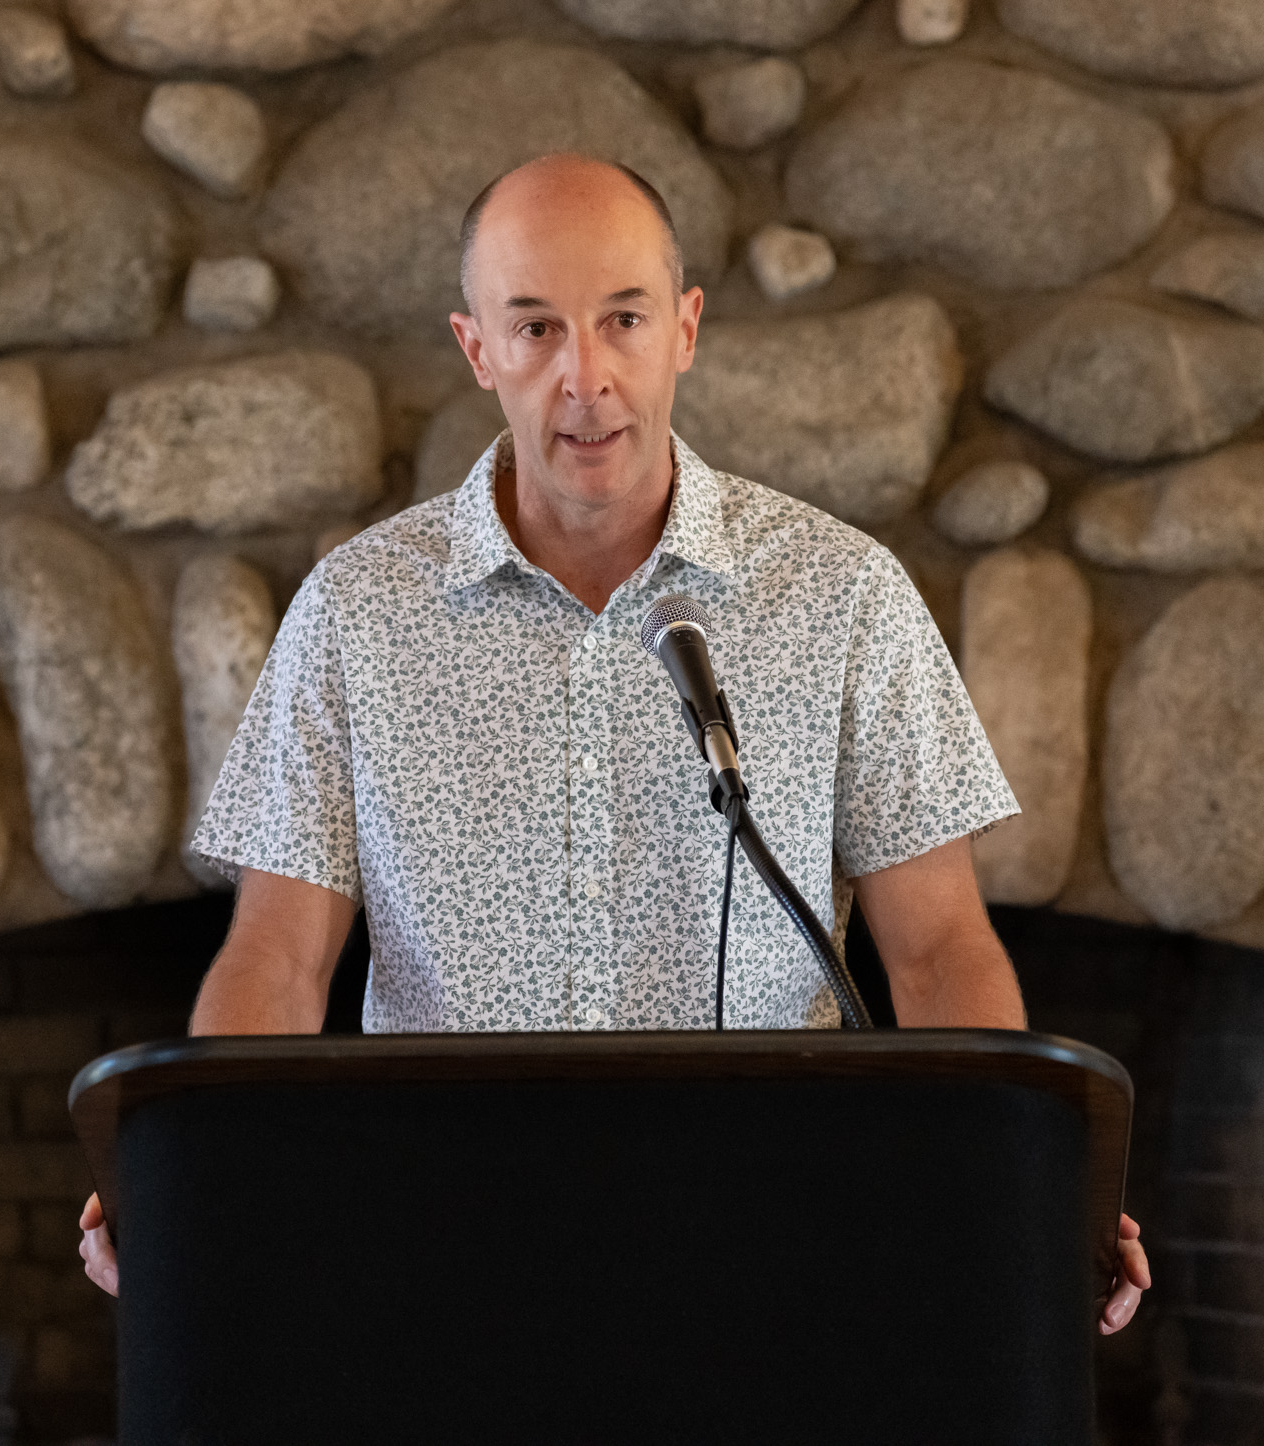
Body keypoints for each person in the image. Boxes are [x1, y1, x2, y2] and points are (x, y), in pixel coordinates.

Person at [79, 153, 1149, 1333]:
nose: (582, 376)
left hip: (771, 1245)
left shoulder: (841, 593)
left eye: (621, 320)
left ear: (683, 329)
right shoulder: (356, 611)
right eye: (533, 328)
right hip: (434, 1250)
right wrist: (188, 1188)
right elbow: (275, 961)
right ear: (475, 348)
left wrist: (1021, 1192)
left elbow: (941, 949)